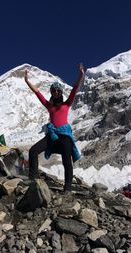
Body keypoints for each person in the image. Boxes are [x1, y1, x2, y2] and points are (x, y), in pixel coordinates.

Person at [24, 63, 85, 191]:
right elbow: (37, 93)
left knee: (67, 162)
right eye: (53, 90)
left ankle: (67, 188)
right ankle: (33, 180)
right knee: (33, 151)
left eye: (58, 90)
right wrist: (27, 80)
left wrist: (81, 75)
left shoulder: (66, 104)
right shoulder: (49, 106)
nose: (56, 92)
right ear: (51, 93)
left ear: (61, 92)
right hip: (52, 136)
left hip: (64, 137)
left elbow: (74, 89)